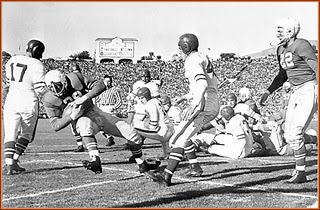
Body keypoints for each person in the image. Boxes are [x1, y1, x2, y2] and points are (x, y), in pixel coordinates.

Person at [42, 70, 160, 174]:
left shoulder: (74, 78)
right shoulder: (48, 99)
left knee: (131, 133)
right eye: (52, 88)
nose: (56, 90)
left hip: (95, 111)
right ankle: (95, 160)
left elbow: (101, 85)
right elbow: (55, 125)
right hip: (81, 118)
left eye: (57, 86)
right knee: (84, 125)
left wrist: (84, 97)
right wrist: (72, 116)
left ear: (64, 81)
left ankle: (142, 164)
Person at [147, 33, 220, 186]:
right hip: (210, 101)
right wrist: (184, 97)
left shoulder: (192, 60)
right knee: (183, 136)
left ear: (186, 47)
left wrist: (194, 105)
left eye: (180, 48)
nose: (179, 52)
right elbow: (202, 86)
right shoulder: (201, 57)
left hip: (203, 104)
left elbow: (202, 85)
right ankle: (194, 167)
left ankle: (166, 175)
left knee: (177, 139)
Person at [259, 17, 318, 183]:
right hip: (296, 91)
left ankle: (301, 173)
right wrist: (268, 91)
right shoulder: (280, 50)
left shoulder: (301, 44)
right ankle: (315, 140)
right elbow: (282, 75)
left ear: (290, 30)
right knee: (289, 135)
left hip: (309, 88)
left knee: (294, 133)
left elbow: (316, 66)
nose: (278, 33)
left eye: (281, 30)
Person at [3, 39, 46, 175]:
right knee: (27, 134)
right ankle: (15, 160)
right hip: (28, 100)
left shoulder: (12, 60)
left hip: (11, 99)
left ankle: (9, 164)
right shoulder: (37, 64)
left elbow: (9, 82)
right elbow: (40, 88)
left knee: (10, 134)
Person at [134, 87, 174, 159]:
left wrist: (146, 124)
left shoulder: (151, 103)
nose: (141, 100)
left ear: (147, 96)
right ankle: (167, 153)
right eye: (139, 98)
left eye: (142, 98)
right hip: (167, 128)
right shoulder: (155, 101)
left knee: (133, 127)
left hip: (162, 131)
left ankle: (136, 154)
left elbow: (154, 124)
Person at [95, 74, 123, 146]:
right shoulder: (101, 90)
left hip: (110, 107)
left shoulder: (114, 90)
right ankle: (109, 137)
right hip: (102, 107)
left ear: (111, 82)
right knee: (99, 125)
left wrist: (113, 108)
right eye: (106, 81)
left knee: (113, 126)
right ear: (103, 81)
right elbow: (97, 99)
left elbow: (119, 101)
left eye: (109, 81)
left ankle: (128, 138)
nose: (107, 83)